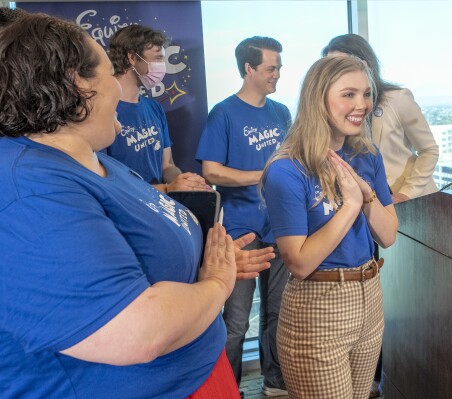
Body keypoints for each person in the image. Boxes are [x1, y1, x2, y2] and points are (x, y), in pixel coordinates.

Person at [0, 12, 274, 399]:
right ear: (78, 83)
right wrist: (216, 283)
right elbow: (137, 332)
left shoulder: (96, 159)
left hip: (196, 372)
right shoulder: (27, 190)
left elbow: (136, 251)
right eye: (109, 73)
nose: (118, 87)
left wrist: (207, 261)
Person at [261, 55, 399, 398]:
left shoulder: (368, 156)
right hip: (319, 305)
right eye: (348, 94)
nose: (362, 105)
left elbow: (389, 234)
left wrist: (366, 197)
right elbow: (300, 262)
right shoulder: (287, 170)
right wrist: (350, 205)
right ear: (318, 98)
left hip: (370, 296)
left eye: (366, 94)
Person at [195, 36, 291, 397]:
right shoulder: (223, 113)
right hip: (240, 233)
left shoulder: (281, 112)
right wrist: (262, 175)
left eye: (279, 67)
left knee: (277, 313)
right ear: (249, 68)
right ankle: (228, 389)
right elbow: (211, 171)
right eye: (271, 68)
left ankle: (275, 382)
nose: (277, 74)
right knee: (235, 324)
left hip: (281, 226)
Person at [323, 33, 439, 204]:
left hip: (411, 201)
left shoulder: (398, 99)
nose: (335, 71)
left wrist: (407, 193)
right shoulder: (333, 108)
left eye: (342, 64)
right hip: (369, 202)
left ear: (364, 64)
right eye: (329, 66)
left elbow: (429, 151)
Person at [106, 24, 210, 193]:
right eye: (157, 58)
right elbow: (108, 183)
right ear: (132, 58)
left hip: (159, 209)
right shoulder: (104, 112)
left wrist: (183, 181)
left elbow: (167, 166)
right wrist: (167, 188)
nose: (162, 66)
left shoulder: (154, 108)